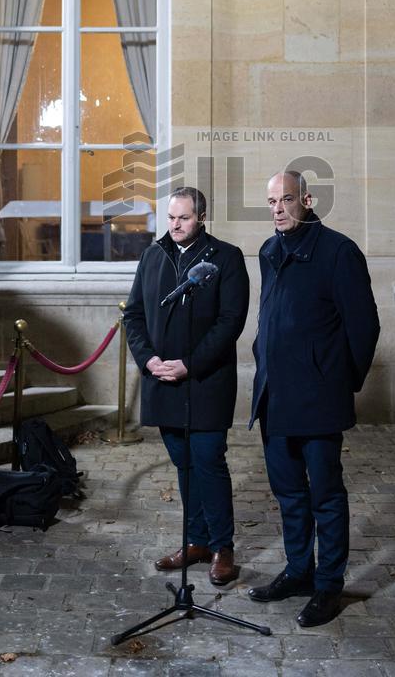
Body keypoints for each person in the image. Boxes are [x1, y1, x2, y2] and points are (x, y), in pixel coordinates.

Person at [248, 171, 380, 628]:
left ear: (306, 199)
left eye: (286, 199)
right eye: (271, 202)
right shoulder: (268, 251)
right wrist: (261, 354)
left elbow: (364, 328)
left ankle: (328, 586)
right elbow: (271, 314)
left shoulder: (339, 252)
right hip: (274, 397)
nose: (278, 209)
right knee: (288, 494)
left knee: (325, 495)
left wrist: (339, 382)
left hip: (319, 398)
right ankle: (299, 571)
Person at [124, 186, 249, 586]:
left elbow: (230, 321)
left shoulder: (226, 258)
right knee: (183, 463)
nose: (175, 225)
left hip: (207, 381)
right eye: (171, 217)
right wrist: (148, 360)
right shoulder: (152, 255)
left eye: (184, 218)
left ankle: (222, 547)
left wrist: (190, 365)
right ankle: (196, 541)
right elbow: (134, 317)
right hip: (162, 380)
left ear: (202, 218)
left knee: (209, 461)